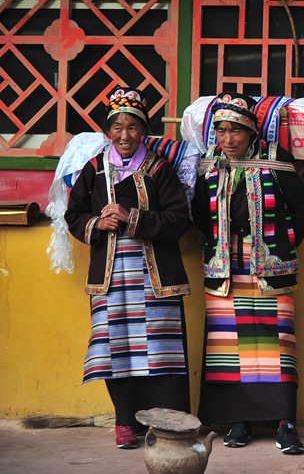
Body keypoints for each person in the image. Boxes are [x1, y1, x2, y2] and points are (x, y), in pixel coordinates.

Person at [65, 87, 192, 449]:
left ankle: (168, 422)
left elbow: (178, 220)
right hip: (111, 278)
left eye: (133, 127)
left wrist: (131, 217)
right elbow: (74, 216)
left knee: (161, 352)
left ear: (143, 130)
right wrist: (97, 223)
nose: (125, 135)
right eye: (117, 127)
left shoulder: (158, 169)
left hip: (154, 277)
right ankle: (125, 423)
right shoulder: (94, 170)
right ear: (108, 131)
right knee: (115, 349)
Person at [192, 93, 304, 455]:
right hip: (225, 268)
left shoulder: (275, 159)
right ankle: (239, 421)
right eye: (221, 131)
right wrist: (218, 242)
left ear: (251, 132)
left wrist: (281, 245)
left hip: (269, 268)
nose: (228, 139)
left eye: (236, 131)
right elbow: (200, 212)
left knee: (277, 345)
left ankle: (285, 424)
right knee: (229, 346)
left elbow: (303, 208)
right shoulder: (210, 164)